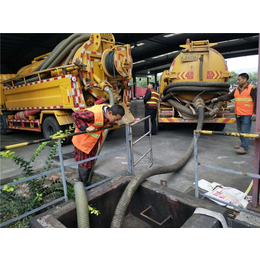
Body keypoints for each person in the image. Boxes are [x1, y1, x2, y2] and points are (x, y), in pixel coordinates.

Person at [72, 103, 125, 186]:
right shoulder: (93, 114)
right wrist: (85, 127)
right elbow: (75, 115)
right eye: (116, 119)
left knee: (90, 163)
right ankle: (82, 185)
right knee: (84, 165)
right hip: (83, 142)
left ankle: (84, 182)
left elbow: (104, 121)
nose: (117, 121)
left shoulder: (108, 111)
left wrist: (112, 123)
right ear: (110, 113)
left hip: (92, 142)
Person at [211, 73, 257, 154]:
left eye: (239, 79)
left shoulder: (252, 88)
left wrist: (255, 113)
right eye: (237, 79)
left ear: (245, 79)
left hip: (247, 114)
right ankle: (243, 144)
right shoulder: (236, 89)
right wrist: (217, 99)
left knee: (245, 131)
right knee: (240, 131)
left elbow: (256, 101)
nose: (237, 81)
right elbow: (228, 96)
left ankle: (244, 148)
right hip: (238, 113)